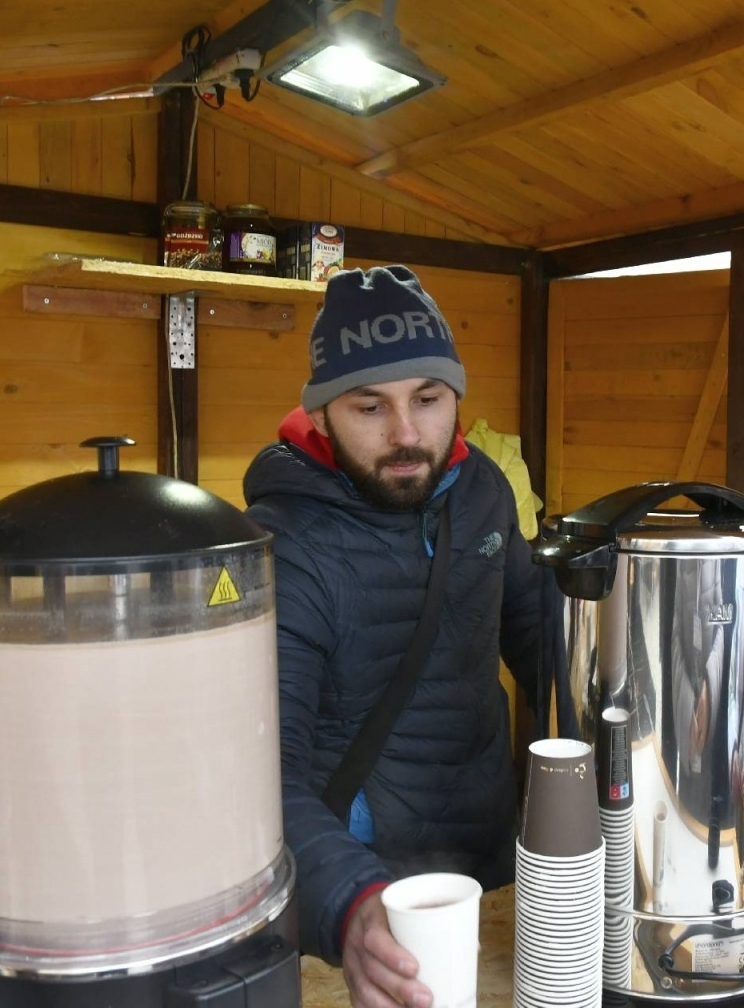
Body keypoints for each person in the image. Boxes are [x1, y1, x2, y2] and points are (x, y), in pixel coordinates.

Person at [244, 264, 563, 1008]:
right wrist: (349, 903)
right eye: (368, 407)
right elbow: (264, 774)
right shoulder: (284, 546)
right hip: (359, 891)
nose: (407, 435)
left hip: (487, 855)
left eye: (428, 398)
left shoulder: (481, 489)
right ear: (320, 416)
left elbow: (541, 639)